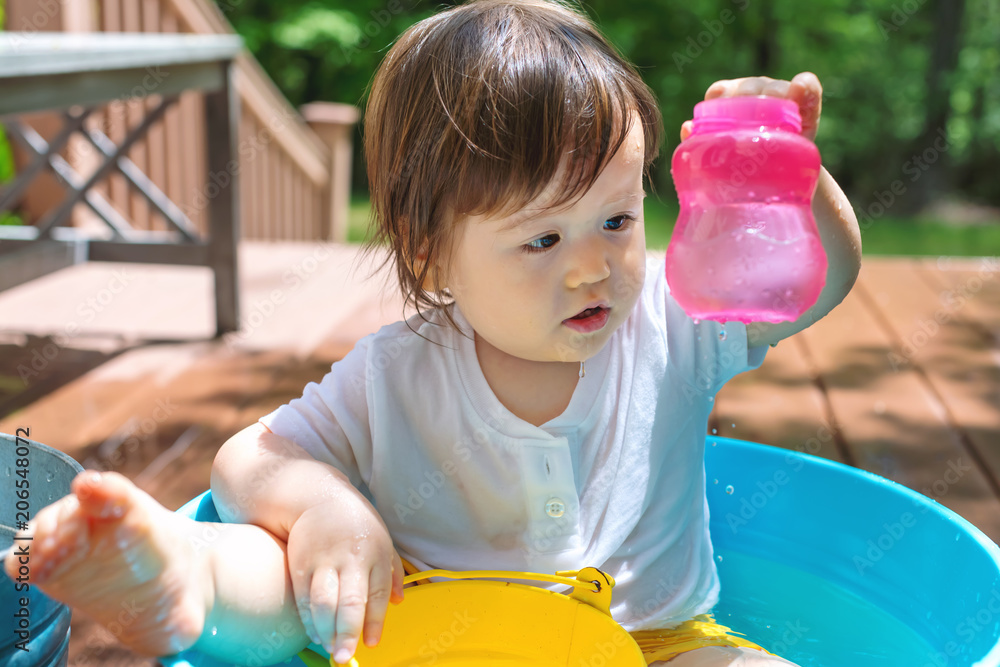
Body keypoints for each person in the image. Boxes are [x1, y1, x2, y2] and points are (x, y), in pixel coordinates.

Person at [3, 1, 860, 665]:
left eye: (617, 219)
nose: (591, 268)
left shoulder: (673, 327)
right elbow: (248, 460)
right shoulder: (397, 372)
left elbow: (825, 279)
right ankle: (179, 575)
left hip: (656, 641)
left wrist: (788, 181)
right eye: (541, 238)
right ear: (432, 255)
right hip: (426, 628)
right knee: (294, 570)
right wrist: (328, 508)